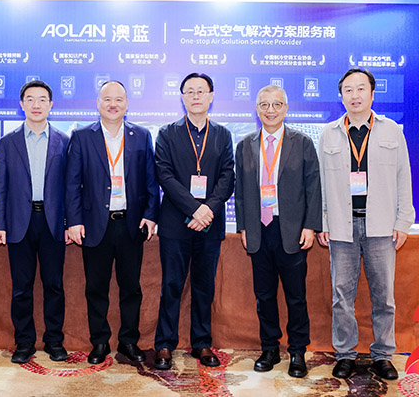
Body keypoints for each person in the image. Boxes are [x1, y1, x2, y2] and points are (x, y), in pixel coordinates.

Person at [317, 68, 414, 380]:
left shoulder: (391, 131)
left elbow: (403, 176)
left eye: (361, 89)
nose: (354, 95)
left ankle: (383, 355)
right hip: (342, 227)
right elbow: (320, 183)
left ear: (372, 93)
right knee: (341, 297)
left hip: (381, 227)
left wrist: (403, 220)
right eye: (348, 89)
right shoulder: (329, 133)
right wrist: (322, 220)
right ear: (341, 96)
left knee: (384, 297)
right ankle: (345, 354)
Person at [66, 80, 160, 364]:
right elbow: (72, 184)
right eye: (107, 99)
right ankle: (99, 342)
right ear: (98, 103)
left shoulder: (141, 135)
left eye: (119, 99)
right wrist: (74, 221)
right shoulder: (82, 136)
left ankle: (129, 341)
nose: (113, 104)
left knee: (131, 287)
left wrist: (150, 214)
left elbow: (151, 180)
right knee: (96, 287)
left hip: (131, 224)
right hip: (96, 224)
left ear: (127, 104)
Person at [234, 85, 321, 377]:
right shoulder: (245, 145)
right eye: (264, 105)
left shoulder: (302, 142)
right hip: (259, 230)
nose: (270, 110)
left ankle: (297, 351)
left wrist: (310, 226)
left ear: (286, 108)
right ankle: (269, 348)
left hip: (292, 230)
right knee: (264, 295)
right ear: (257, 109)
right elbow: (241, 191)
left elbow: (313, 186)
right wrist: (243, 226)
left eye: (276, 104)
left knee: (296, 296)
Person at [153, 73, 235, 370]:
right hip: (176, 223)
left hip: (210, 224)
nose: (196, 96)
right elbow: (164, 175)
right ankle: (164, 343)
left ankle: (201, 342)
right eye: (190, 91)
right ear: (182, 97)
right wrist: (194, 209)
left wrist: (207, 210)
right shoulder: (167, 133)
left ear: (211, 96)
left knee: (204, 286)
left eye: (201, 91)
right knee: (171, 284)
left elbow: (227, 176)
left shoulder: (222, 134)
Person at [0, 80, 70, 364]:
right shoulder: (8, 142)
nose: (36, 105)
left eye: (42, 99)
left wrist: (70, 222)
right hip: (19, 223)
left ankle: (54, 341)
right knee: (21, 288)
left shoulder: (64, 141)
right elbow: (0, 186)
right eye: (30, 99)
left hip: (52, 223)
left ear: (51, 104)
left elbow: (72, 187)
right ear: (21, 104)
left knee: (54, 286)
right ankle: (24, 342)